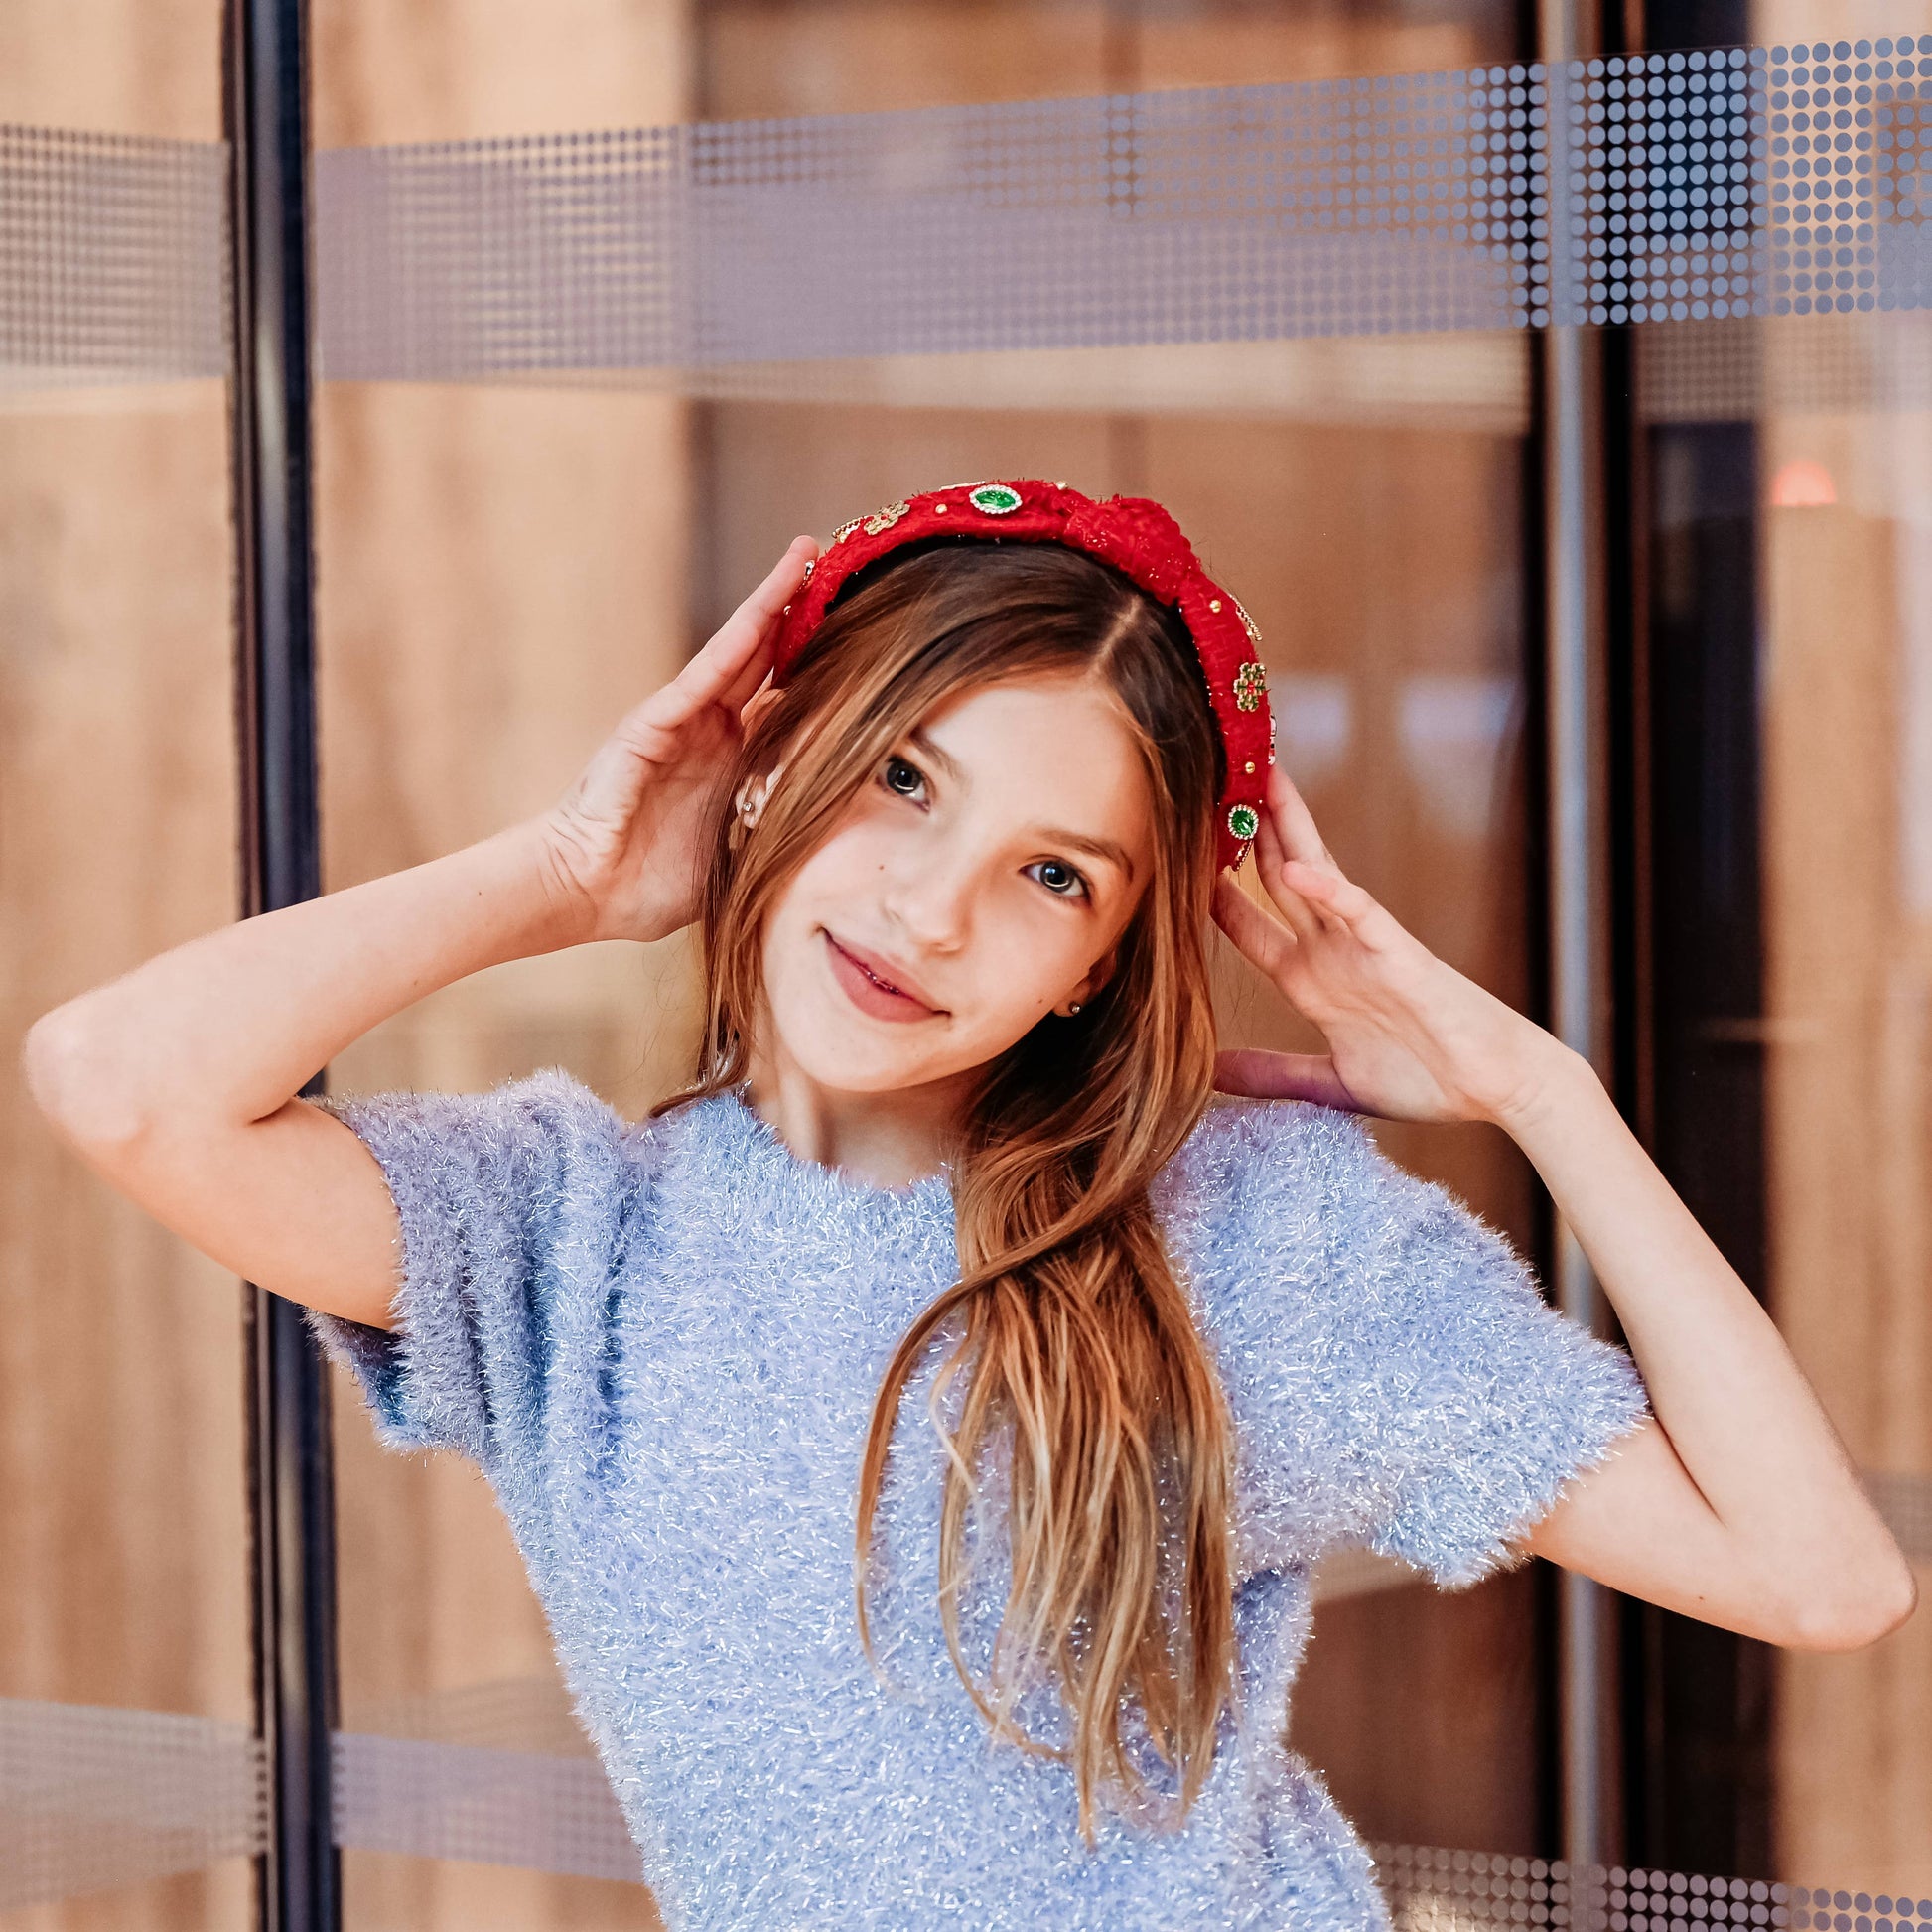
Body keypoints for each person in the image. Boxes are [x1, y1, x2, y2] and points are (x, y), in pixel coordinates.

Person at [25, 480, 1913, 1930]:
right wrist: (573, 867)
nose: (932, 909)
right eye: (903, 778)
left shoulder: (1252, 1240)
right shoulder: (564, 1236)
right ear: (775, 761)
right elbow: (118, 1079)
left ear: (1102, 959)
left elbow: (1818, 1579)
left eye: (1051, 874)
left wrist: (1541, 1092)